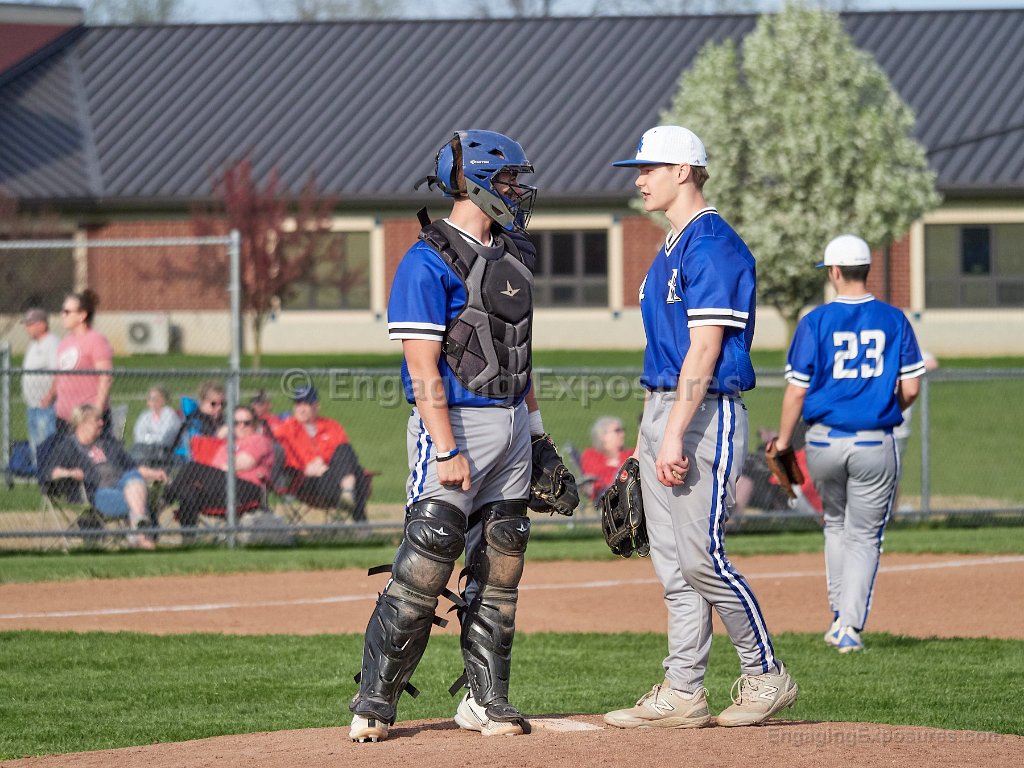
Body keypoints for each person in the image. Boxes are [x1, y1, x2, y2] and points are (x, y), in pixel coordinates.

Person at [349, 129, 545, 743]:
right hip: (456, 425)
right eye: (508, 179)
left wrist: (537, 434)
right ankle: (374, 701)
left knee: (501, 564)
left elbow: (520, 353)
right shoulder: (426, 260)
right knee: (428, 561)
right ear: (476, 182)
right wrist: (446, 447)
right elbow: (422, 366)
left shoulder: (515, 254)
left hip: (511, 425)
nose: (517, 190)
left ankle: (486, 700)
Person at [603, 125, 797, 730]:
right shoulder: (672, 244)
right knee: (673, 566)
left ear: (683, 170)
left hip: (704, 411)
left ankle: (766, 674)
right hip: (666, 408)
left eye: (650, 168)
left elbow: (706, 348)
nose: (640, 180)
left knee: (701, 558)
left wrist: (673, 434)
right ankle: (684, 690)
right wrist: (650, 434)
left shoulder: (712, 245)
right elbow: (664, 351)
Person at [773, 234, 925, 654]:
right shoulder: (894, 319)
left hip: (823, 441)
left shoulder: (815, 321)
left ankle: (839, 615)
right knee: (865, 536)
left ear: (835, 272)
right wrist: (884, 406)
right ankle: (848, 626)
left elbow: (796, 392)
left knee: (836, 526)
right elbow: (912, 387)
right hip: (874, 441)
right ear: (867, 269)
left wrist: (783, 443)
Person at [40, 404, 167, 550]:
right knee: (140, 499)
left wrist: (154, 473)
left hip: (122, 484)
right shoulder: (68, 447)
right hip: (96, 492)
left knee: (132, 476)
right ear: (82, 424)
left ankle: (137, 528)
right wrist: (70, 473)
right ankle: (140, 531)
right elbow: (50, 472)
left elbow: (133, 467)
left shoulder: (107, 443)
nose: (102, 423)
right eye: (97, 420)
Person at [162, 405, 273, 530]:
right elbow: (215, 468)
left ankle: (162, 502)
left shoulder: (259, 440)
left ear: (255, 424)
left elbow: (244, 463)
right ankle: (189, 537)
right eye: (236, 423)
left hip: (248, 490)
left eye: (246, 423)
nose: (241, 426)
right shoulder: (227, 445)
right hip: (223, 491)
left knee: (192, 467)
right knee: (188, 491)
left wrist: (214, 472)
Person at [271, 384, 369, 522]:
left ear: (316, 405)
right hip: (305, 481)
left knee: (345, 449)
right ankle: (358, 517)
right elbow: (284, 456)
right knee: (358, 475)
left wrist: (322, 464)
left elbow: (343, 455)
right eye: (298, 404)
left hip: (333, 473)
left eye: (306, 404)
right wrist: (306, 467)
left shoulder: (332, 426)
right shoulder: (285, 430)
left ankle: (348, 491)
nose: (301, 409)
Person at [53, 290, 114, 435]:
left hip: (87, 418)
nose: (62, 315)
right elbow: (59, 377)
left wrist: (96, 411)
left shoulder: (96, 340)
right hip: (64, 418)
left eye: (67, 312)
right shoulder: (65, 342)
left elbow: (105, 378)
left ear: (82, 315)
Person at [21, 307, 59, 468]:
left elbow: (58, 373)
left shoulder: (52, 343)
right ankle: (39, 471)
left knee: (45, 443)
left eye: (30, 324)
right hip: (32, 404)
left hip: (46, 405)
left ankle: (48, 472)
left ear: (42, 324)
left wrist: (49, 396)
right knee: (34, 443)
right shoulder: (33, 344)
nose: (27, 328)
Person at [580, 416, 633, 502]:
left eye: (623, 430)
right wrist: (615, 467)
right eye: (617, 431)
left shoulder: (630, 453)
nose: (623, 434)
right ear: (603, 436)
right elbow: (597, 483)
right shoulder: (591, 455)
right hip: (605, 498)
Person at [172, 380, 227, 459]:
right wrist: (217, 437)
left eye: (222, 404)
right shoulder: (194, 422)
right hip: (194, 463)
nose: (219, 408)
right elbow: (198, 450)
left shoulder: (221, 420)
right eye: (213, 404)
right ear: (202, 402)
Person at [130, 386, 182, 465]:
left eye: (154, 398)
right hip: (143, 448)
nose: (151, 401)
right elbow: (138, 435)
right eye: (149, 398)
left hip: (163, 451)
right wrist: (152, 438)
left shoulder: (169, 414)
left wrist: (147, 437)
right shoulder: (145, 415)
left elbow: (164, 438)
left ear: (163, 400)